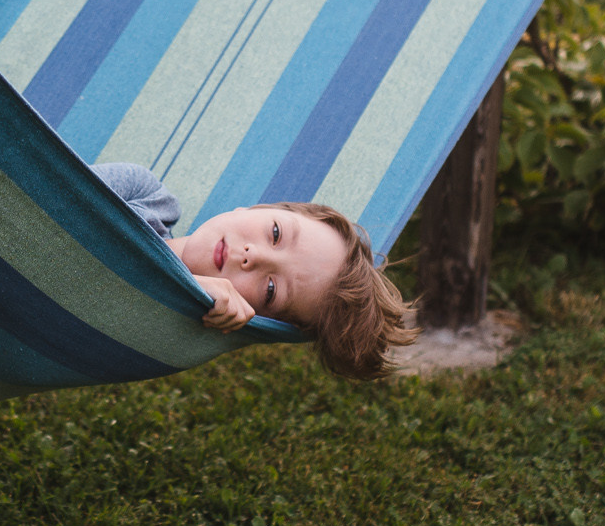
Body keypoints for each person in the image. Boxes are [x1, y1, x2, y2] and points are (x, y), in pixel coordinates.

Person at [92, 163, 416, 382]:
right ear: (255, 209)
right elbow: (48, 210)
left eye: (271, 289)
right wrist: (183, 281)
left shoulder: (165, 333)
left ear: (257, 320)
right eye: (275, 233)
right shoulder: (144, 195)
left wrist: (182, 291)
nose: (253, 256)